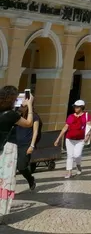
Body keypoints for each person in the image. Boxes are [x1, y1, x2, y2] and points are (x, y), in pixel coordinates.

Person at [0, 87, 32, 219]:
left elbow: (8, 118)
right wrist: (29, 106)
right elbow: (28, 123)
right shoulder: (11, 115)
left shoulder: (8, 114)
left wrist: (19, 111)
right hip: (7, 149)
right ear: (12, 99)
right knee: (4, 180)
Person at [53, 100, 91, 179]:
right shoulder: (70, 116)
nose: (75, 108)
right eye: (74, 106)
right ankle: (69, 172)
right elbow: (65, 127)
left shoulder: (86, 116)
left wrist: (87, 136)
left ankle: (78, 165)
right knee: (70, 156)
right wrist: (58, 138)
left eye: (77, 107)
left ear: (81, 107)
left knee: (77, 155)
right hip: (69, 139)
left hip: (80, 140)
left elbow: (89, 127)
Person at [14, 100, 39, 192]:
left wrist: (32, 145)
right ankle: (9, 189)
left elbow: (35, 131)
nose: (20, 106)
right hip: (14, 144)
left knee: (21, 167)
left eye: (22, 105)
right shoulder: (17, 116)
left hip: (26, 145)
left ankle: (30, 179)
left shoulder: (35, 116)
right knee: (12, 168)